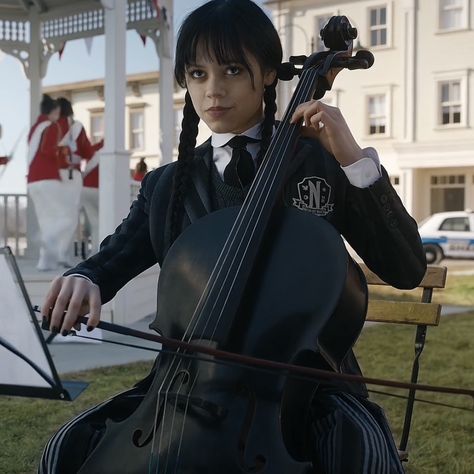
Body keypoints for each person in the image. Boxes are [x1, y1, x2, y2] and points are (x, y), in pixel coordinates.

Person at [39, 1, 426, 472]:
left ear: (267, 74)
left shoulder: (322, 163)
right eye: (198, 74)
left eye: (232, 69)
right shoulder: (166, 185)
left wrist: (355, 162)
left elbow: (406, 269)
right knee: (66, 449)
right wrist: (85, 277)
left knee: (362, 454)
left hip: (306, 391)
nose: (213, 90)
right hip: (183, 391)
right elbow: (114, 259)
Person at [27, 94, 67, 271]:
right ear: (54, 111)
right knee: (65, 216)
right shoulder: (51, 126)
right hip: (48, 177)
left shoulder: (35, 127)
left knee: (45, 220)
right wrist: (62, 150)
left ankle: (45, 261)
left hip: (32, 180)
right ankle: (43, 239)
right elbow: (47, 151)